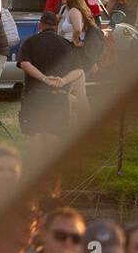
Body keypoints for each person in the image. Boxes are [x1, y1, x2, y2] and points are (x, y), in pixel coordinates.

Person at [17, 11, 86, 152]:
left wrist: (44, 78)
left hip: (35, 96)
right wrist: (63, 80)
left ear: (40, 25)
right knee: (55, 134)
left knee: (35, 133)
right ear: (56, 26)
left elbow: (25, 64)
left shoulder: (30, 42)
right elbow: (79, 71)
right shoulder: (67, 44)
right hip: (59, 96)